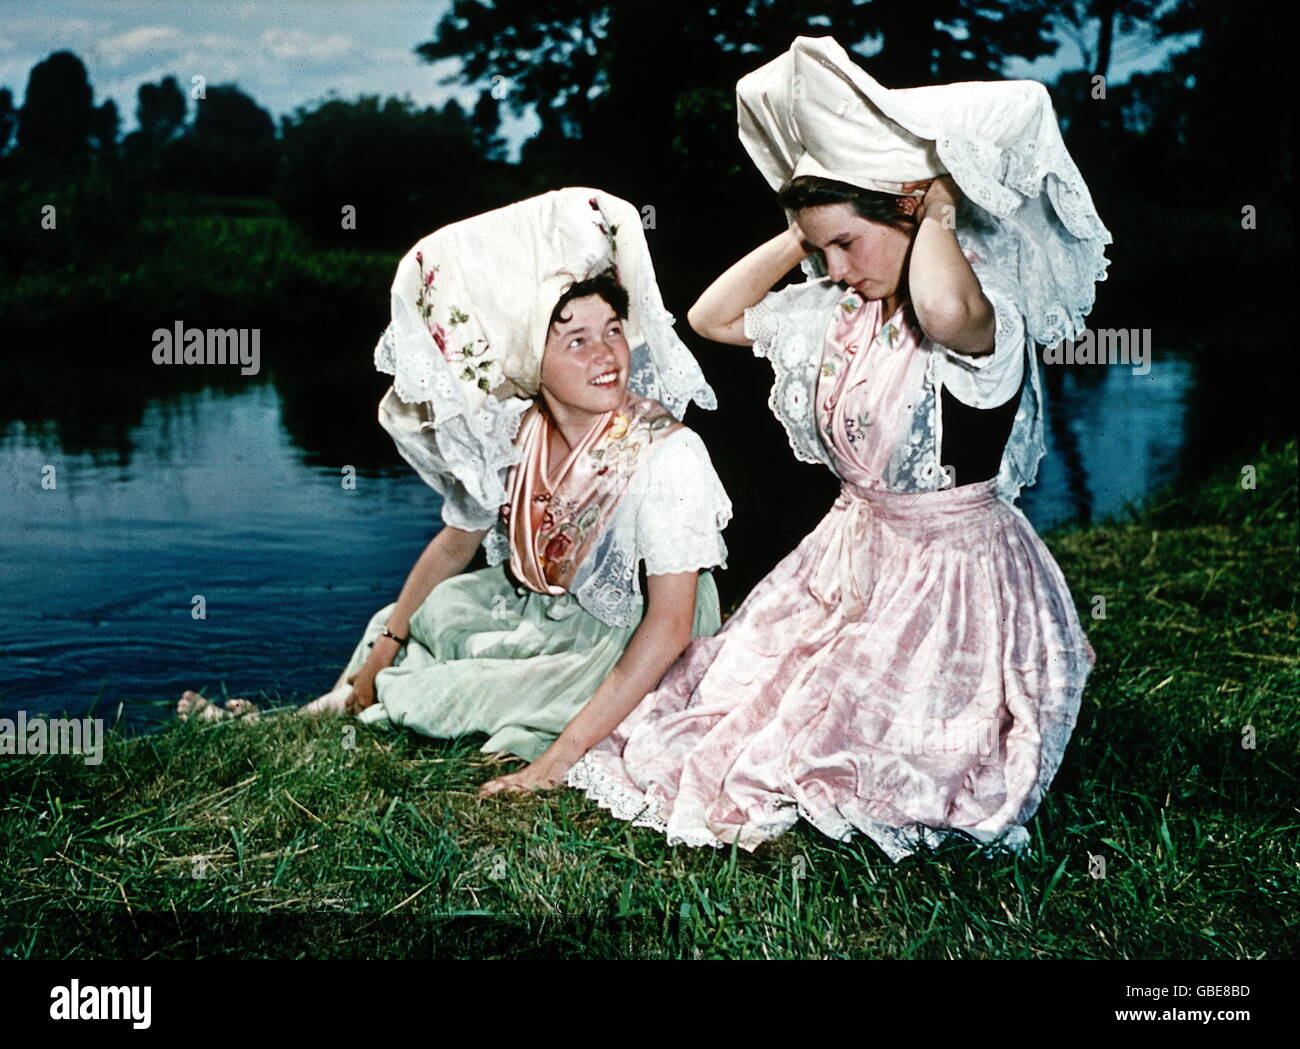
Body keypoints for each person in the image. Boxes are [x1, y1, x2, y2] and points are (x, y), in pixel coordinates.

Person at [564, 38, 1110, 860]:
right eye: (824, 253)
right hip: (850, 556)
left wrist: (937, 210)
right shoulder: (846, 310)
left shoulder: (979, 308)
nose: (835, 268)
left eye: (848, 244)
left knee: (858, 755)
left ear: (914, 212)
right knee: (740, 712)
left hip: (950, 580)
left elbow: (943, 301)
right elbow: (713, 317)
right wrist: (804, 230)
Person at [179, 189, 731, 797]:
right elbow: (455, 542)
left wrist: (556, 762)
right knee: (403, 620)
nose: (606, 356)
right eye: (575, 339)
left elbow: (672, 624)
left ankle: (326, 713)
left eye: (613, 331)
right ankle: (324, 705)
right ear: (527, 359)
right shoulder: (514, 435)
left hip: (626, 635)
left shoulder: (666, 453)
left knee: (445, 692)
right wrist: (387, 643)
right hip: (543, 616)